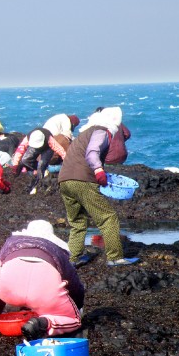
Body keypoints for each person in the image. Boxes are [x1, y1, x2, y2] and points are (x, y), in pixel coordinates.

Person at [0, 220, 85, 341]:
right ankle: (43, 323)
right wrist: (76, 308)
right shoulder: (59, 251)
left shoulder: (12, 242)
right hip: (45, 293)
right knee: (74, 320)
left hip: (9, 286)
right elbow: (75, 287)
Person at [58, 106, 139, 268]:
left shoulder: (84, 133)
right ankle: (115, 257)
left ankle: (73, 258)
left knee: (77, 221)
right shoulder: (101, 131)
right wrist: (99, 170)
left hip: (64, 180)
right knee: (108, 218)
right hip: (83, 180)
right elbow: (92, 152)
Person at [11, 128, 68, 195]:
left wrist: (67, 162)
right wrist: (15, 165)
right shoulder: (28, 138)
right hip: (34, 147)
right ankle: (36, 171)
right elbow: (19, 151)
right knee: (24, 160)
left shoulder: (49, 139)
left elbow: (60, 150)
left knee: (41, 166)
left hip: (47, 148)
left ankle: (39, 184)